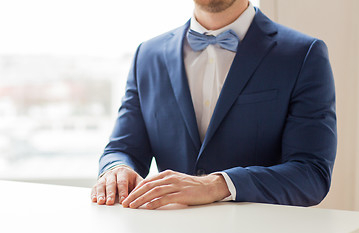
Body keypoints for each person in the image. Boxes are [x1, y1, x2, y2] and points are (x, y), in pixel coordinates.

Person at [91, 0, 337, 209]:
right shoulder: (147, 54)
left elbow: (311, 174)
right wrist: (117, 168)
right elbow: (122, 148)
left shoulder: (303, 54)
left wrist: (217, 185)